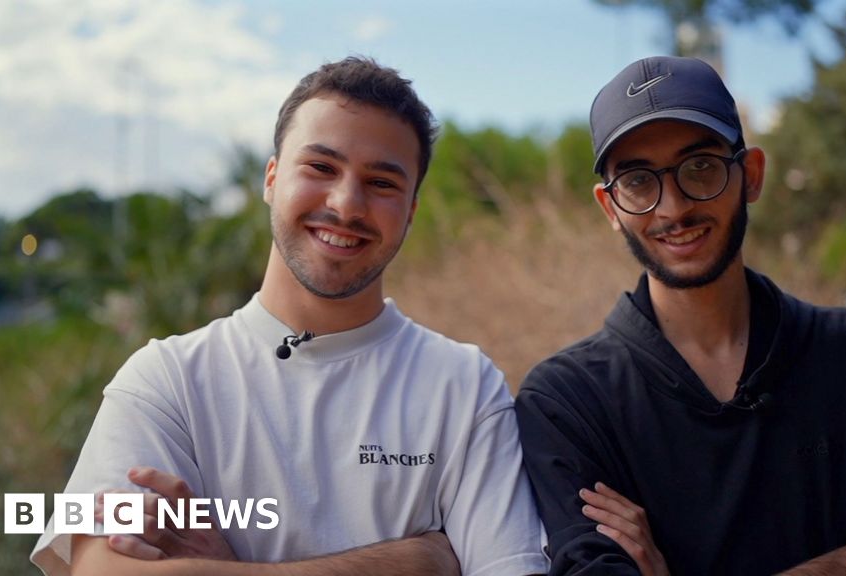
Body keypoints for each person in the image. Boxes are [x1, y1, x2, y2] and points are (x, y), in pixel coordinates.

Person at [31, 56, 549, 576]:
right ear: (272, 178)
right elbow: (99, 569)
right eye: (321, 168)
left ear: (412, 209)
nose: (347, 205)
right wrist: (416, 560)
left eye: (382, 183)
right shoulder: (163, 381)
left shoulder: (466, 386)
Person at [515, 56, 846, 576]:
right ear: (611, 208)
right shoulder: (566, 402)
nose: (672, 208)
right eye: (639, 181)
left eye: (700, 168)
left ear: (751, 175)